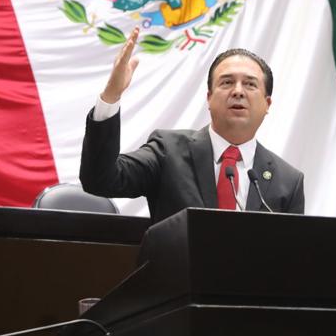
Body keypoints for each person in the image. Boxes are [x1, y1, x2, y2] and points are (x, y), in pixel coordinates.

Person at [80, 29, 305, 222]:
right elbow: (100, 180)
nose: (238, 91)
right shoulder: (168, 151)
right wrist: (111, 95)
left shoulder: (288, 181)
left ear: (267, 104)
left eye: (250, 84)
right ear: (209, 98)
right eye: (227, 82)